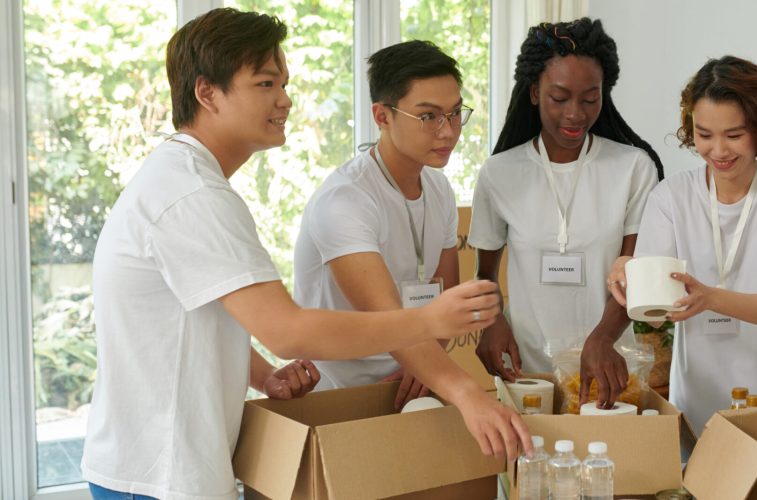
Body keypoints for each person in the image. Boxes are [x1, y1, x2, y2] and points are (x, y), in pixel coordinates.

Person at [83, 9, 517, 500]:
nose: (285, 100)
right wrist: (430, 326)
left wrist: (264, 375)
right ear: (207, 93)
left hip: (166, 466)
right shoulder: (193, 195)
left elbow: (200, 313)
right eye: (266, 83)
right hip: (158, 475)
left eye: (284, 83)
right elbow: (286, 331)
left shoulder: (189, 182)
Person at [293, 38, 530, 444]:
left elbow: (444, 301)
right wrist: (464, 392)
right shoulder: (345, 201)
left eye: (455, 114)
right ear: (382, 116)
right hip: (339, 398)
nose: (448, 131)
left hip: (412, 384)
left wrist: (423, 367)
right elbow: (384, 317)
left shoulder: (438, 189)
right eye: (428, 116)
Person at [607, 56, 757, 427]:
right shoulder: (671, 197)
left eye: (734, 135)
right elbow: (655, 313)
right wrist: (628, 273)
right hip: (697, 405)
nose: (719, 150)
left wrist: (710, 298)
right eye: (705, 134)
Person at [469, 18, 663, 408]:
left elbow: (635, 273)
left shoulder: (633, 167)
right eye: (559, 98)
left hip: (608, 369)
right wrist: (492, 322)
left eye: (590, 99)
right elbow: (485, 274)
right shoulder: (499, 173)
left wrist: (602, 339)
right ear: (535, 92)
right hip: (528, 374)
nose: (575, 114)